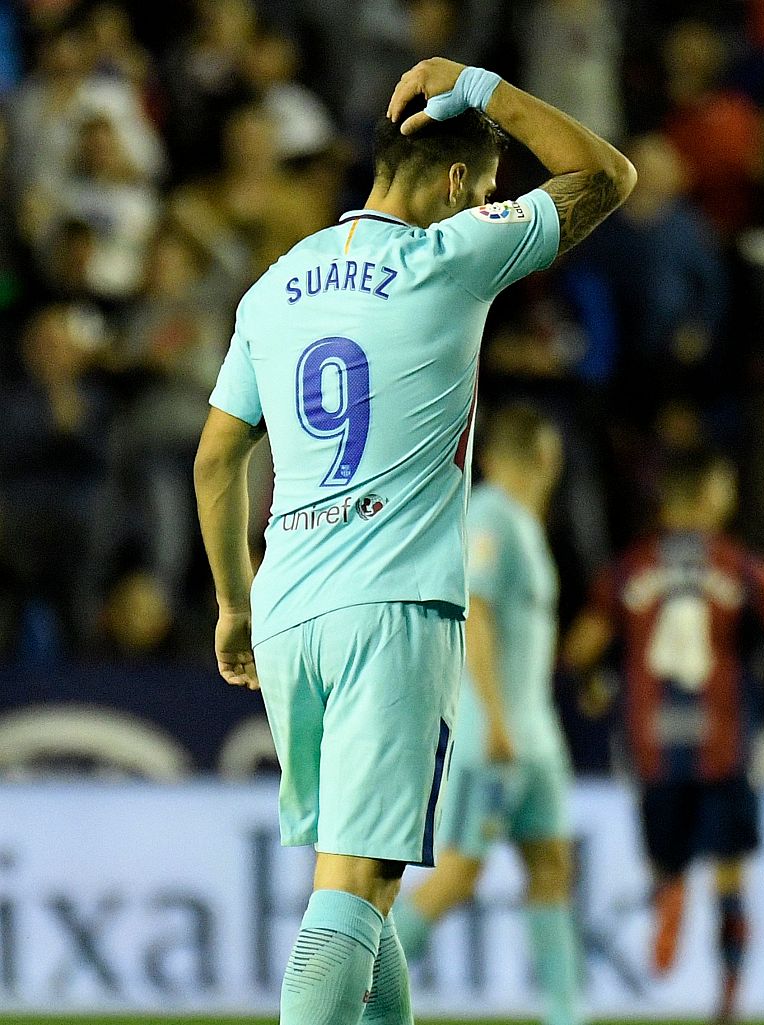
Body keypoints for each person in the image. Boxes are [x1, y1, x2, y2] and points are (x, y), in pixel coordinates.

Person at [193, 56, 633, 1025]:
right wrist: (480, 87)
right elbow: (606, 176)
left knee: (369, 883)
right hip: (387, 607)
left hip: (286, 610)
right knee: (348, 887)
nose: (485, 202)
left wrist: (233, 600)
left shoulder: (275, 286)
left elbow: (217, 459)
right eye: (481, 186)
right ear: (451, 186)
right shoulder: (446, 256)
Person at [563, 448, 764, 1024]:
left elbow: (580, 648)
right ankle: (727, 1002)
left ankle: (669, 890)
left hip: (653, 750)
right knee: (731, 873)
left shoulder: (631, 567)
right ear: (707, 494)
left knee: (667, 858)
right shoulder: (742, 566)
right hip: (723, 748)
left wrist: (595, 684)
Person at [389, 404, 584, 1025]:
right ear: (534, 457)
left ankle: (563, 1015)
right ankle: (358, 985)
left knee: (550, 866)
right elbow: (478, 615)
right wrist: (496, 718)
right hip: (494, 737)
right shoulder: (493, 514)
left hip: (534, 740)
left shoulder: (524, 523)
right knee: (459, 875)